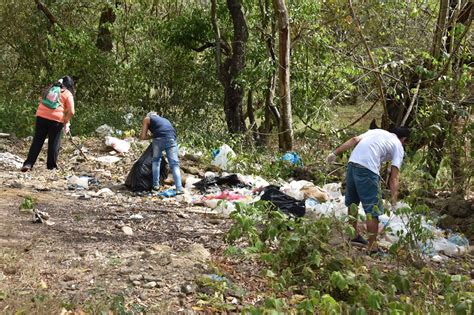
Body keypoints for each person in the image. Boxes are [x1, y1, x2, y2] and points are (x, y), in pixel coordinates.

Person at [326, 127, 410, 253]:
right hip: (367, 170)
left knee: (353, 203)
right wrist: (394, 200)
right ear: (404, 139)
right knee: (372, 209)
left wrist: (334, 153)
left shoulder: (377, 132)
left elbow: (355, 139)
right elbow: (394, 177)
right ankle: (372, 247)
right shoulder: (398, 146)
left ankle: (353, 235)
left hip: (352, 165)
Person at [21, 76, 76, 172]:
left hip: (41, 116)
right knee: (54, 142)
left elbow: (43, 100)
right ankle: (51, 166)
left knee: (37, 141)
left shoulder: (50, 88)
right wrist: (66, 121)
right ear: (69, 85)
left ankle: (28, 164)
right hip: (56, 120)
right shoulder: (67, 94)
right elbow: (72, 111)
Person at [140, 112, 183, 194]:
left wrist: (152, 136)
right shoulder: (165, 120)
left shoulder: (147, 119)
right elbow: (168, 131)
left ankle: (155, 186)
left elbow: (142, 137)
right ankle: (179, 188)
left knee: (156, 161)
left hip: (159, 140)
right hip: (172, 139)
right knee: (174, 164)